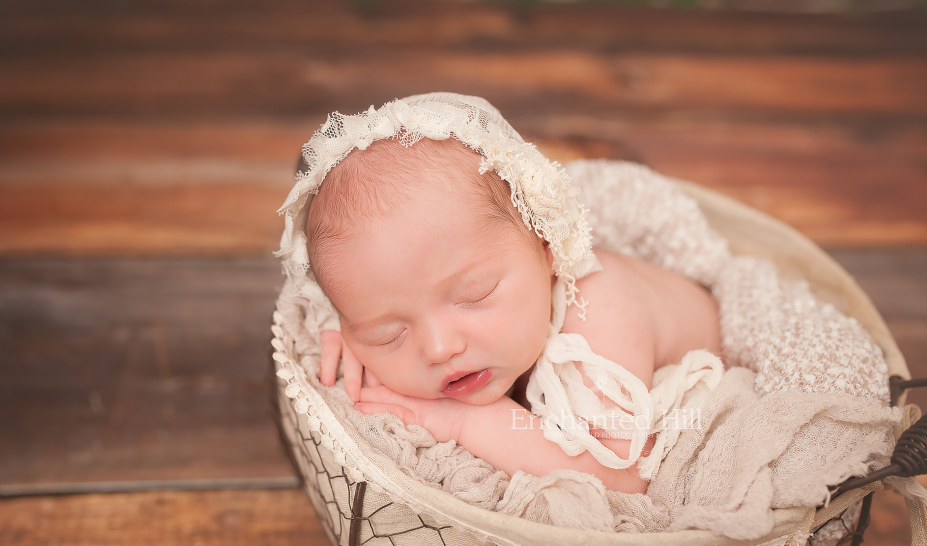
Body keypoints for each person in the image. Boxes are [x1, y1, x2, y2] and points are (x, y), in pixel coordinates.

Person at [303, 135, 721, 495]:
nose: (439, 347)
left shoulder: (599, 309)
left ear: (547, 249)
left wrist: (465, 420)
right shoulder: (433, 314)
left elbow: (623, 477)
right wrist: (356, 332)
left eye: (475, 295)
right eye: (389, 333)